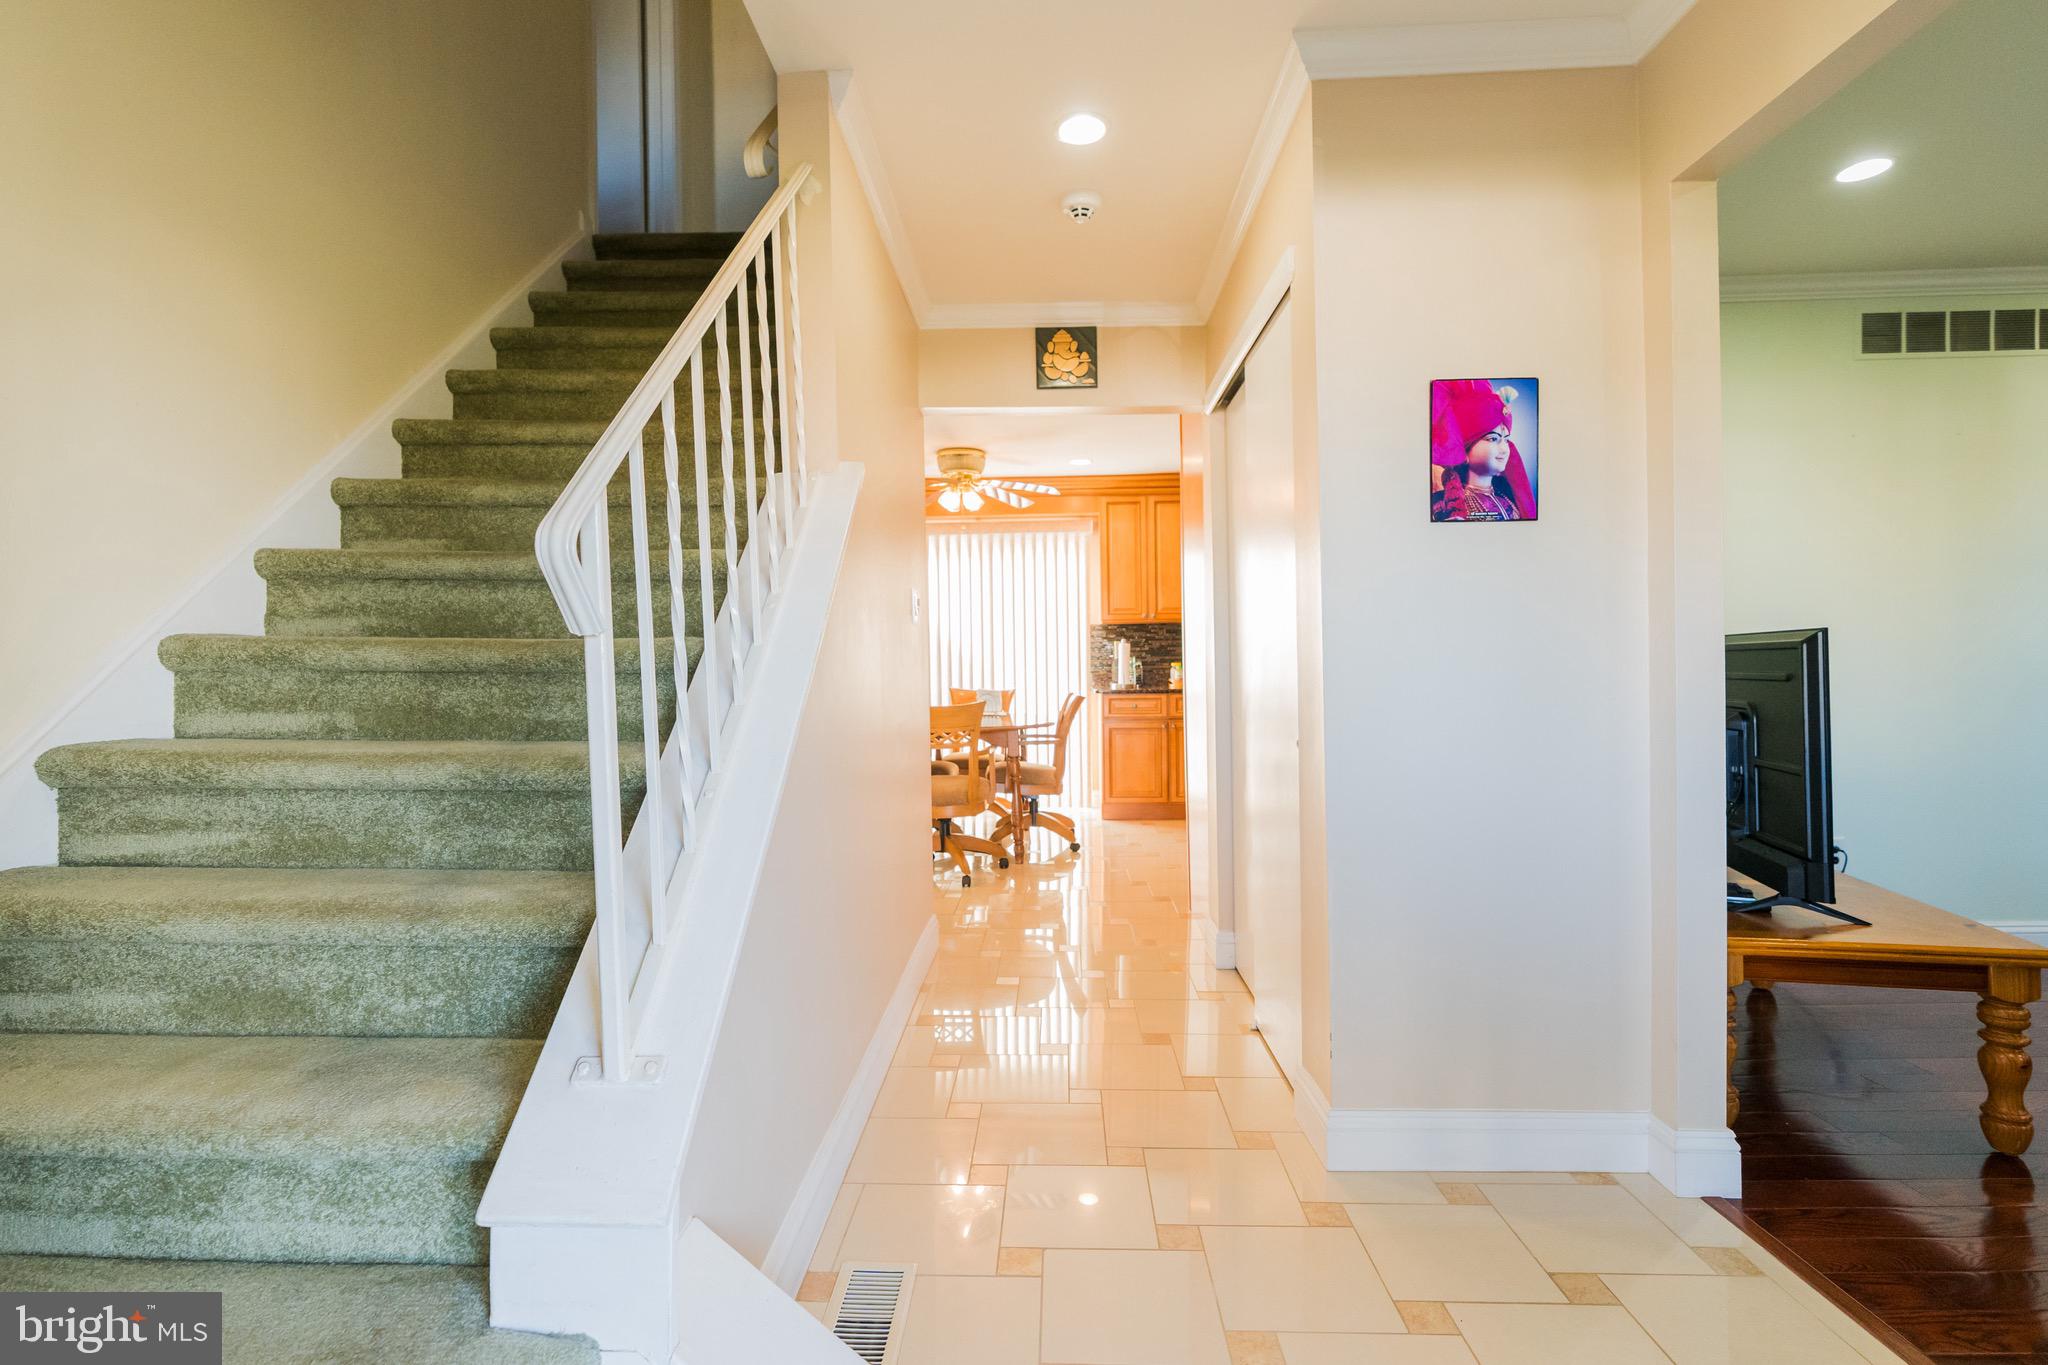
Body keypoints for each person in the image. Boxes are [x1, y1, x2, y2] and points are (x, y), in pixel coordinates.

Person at [1430, 379, 1534, 522]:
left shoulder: (1507, 496)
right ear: (1464, 449)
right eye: (1493, 439)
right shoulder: (1445, 507)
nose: (1504, 449)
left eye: (1506, 439)